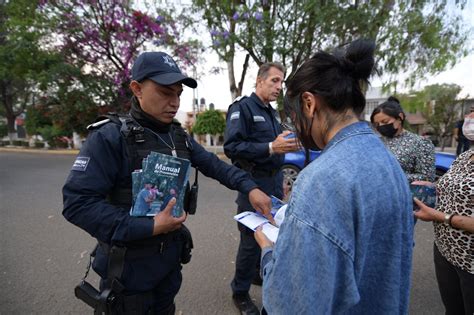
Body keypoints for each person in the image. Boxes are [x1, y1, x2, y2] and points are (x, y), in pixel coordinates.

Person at [62, 51, 272, 314]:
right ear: (137, 89)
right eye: (165, 93)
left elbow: (214, 165)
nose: (174, 102)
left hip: (169, 263)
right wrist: (148, 226)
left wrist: (250, 187)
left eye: (178, 94)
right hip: (128, 274)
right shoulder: (110, 137)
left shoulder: (178, 136)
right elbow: (77, 204)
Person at [254, 39, 414, 314]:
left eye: (293, 119)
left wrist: (269, 252)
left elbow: (290, 302)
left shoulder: (319, 180)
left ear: (309, 104)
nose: (296, 130)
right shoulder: (389, 162)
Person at [224, 62, 299, 314]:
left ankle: (257, 273)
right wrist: (269, 148)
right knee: (249, 239)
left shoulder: (272, 113)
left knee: (269, 234)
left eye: (281, 82)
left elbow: (279, 147)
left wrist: (283, 183)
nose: (279, 86)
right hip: (252, 183)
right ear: (259, 81)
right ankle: (240, 292)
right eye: (274, 81)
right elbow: (231, 148)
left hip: (274, 182)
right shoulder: (242, 108)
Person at [412, 113, 474, 315]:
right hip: (445, 250)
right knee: (453, 309)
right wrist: (433, 186)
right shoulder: (466, 155)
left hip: (470, 261)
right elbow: (454, 186)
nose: (469, 117)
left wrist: (440, 217)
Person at [370, 96, 436, 183]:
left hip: (404, 194)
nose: (381, 126)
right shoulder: (376, 142)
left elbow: (427, 177)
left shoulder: (420, 143)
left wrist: (393, 177)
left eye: (385, 122)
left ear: (400, 117)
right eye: (377, 124)